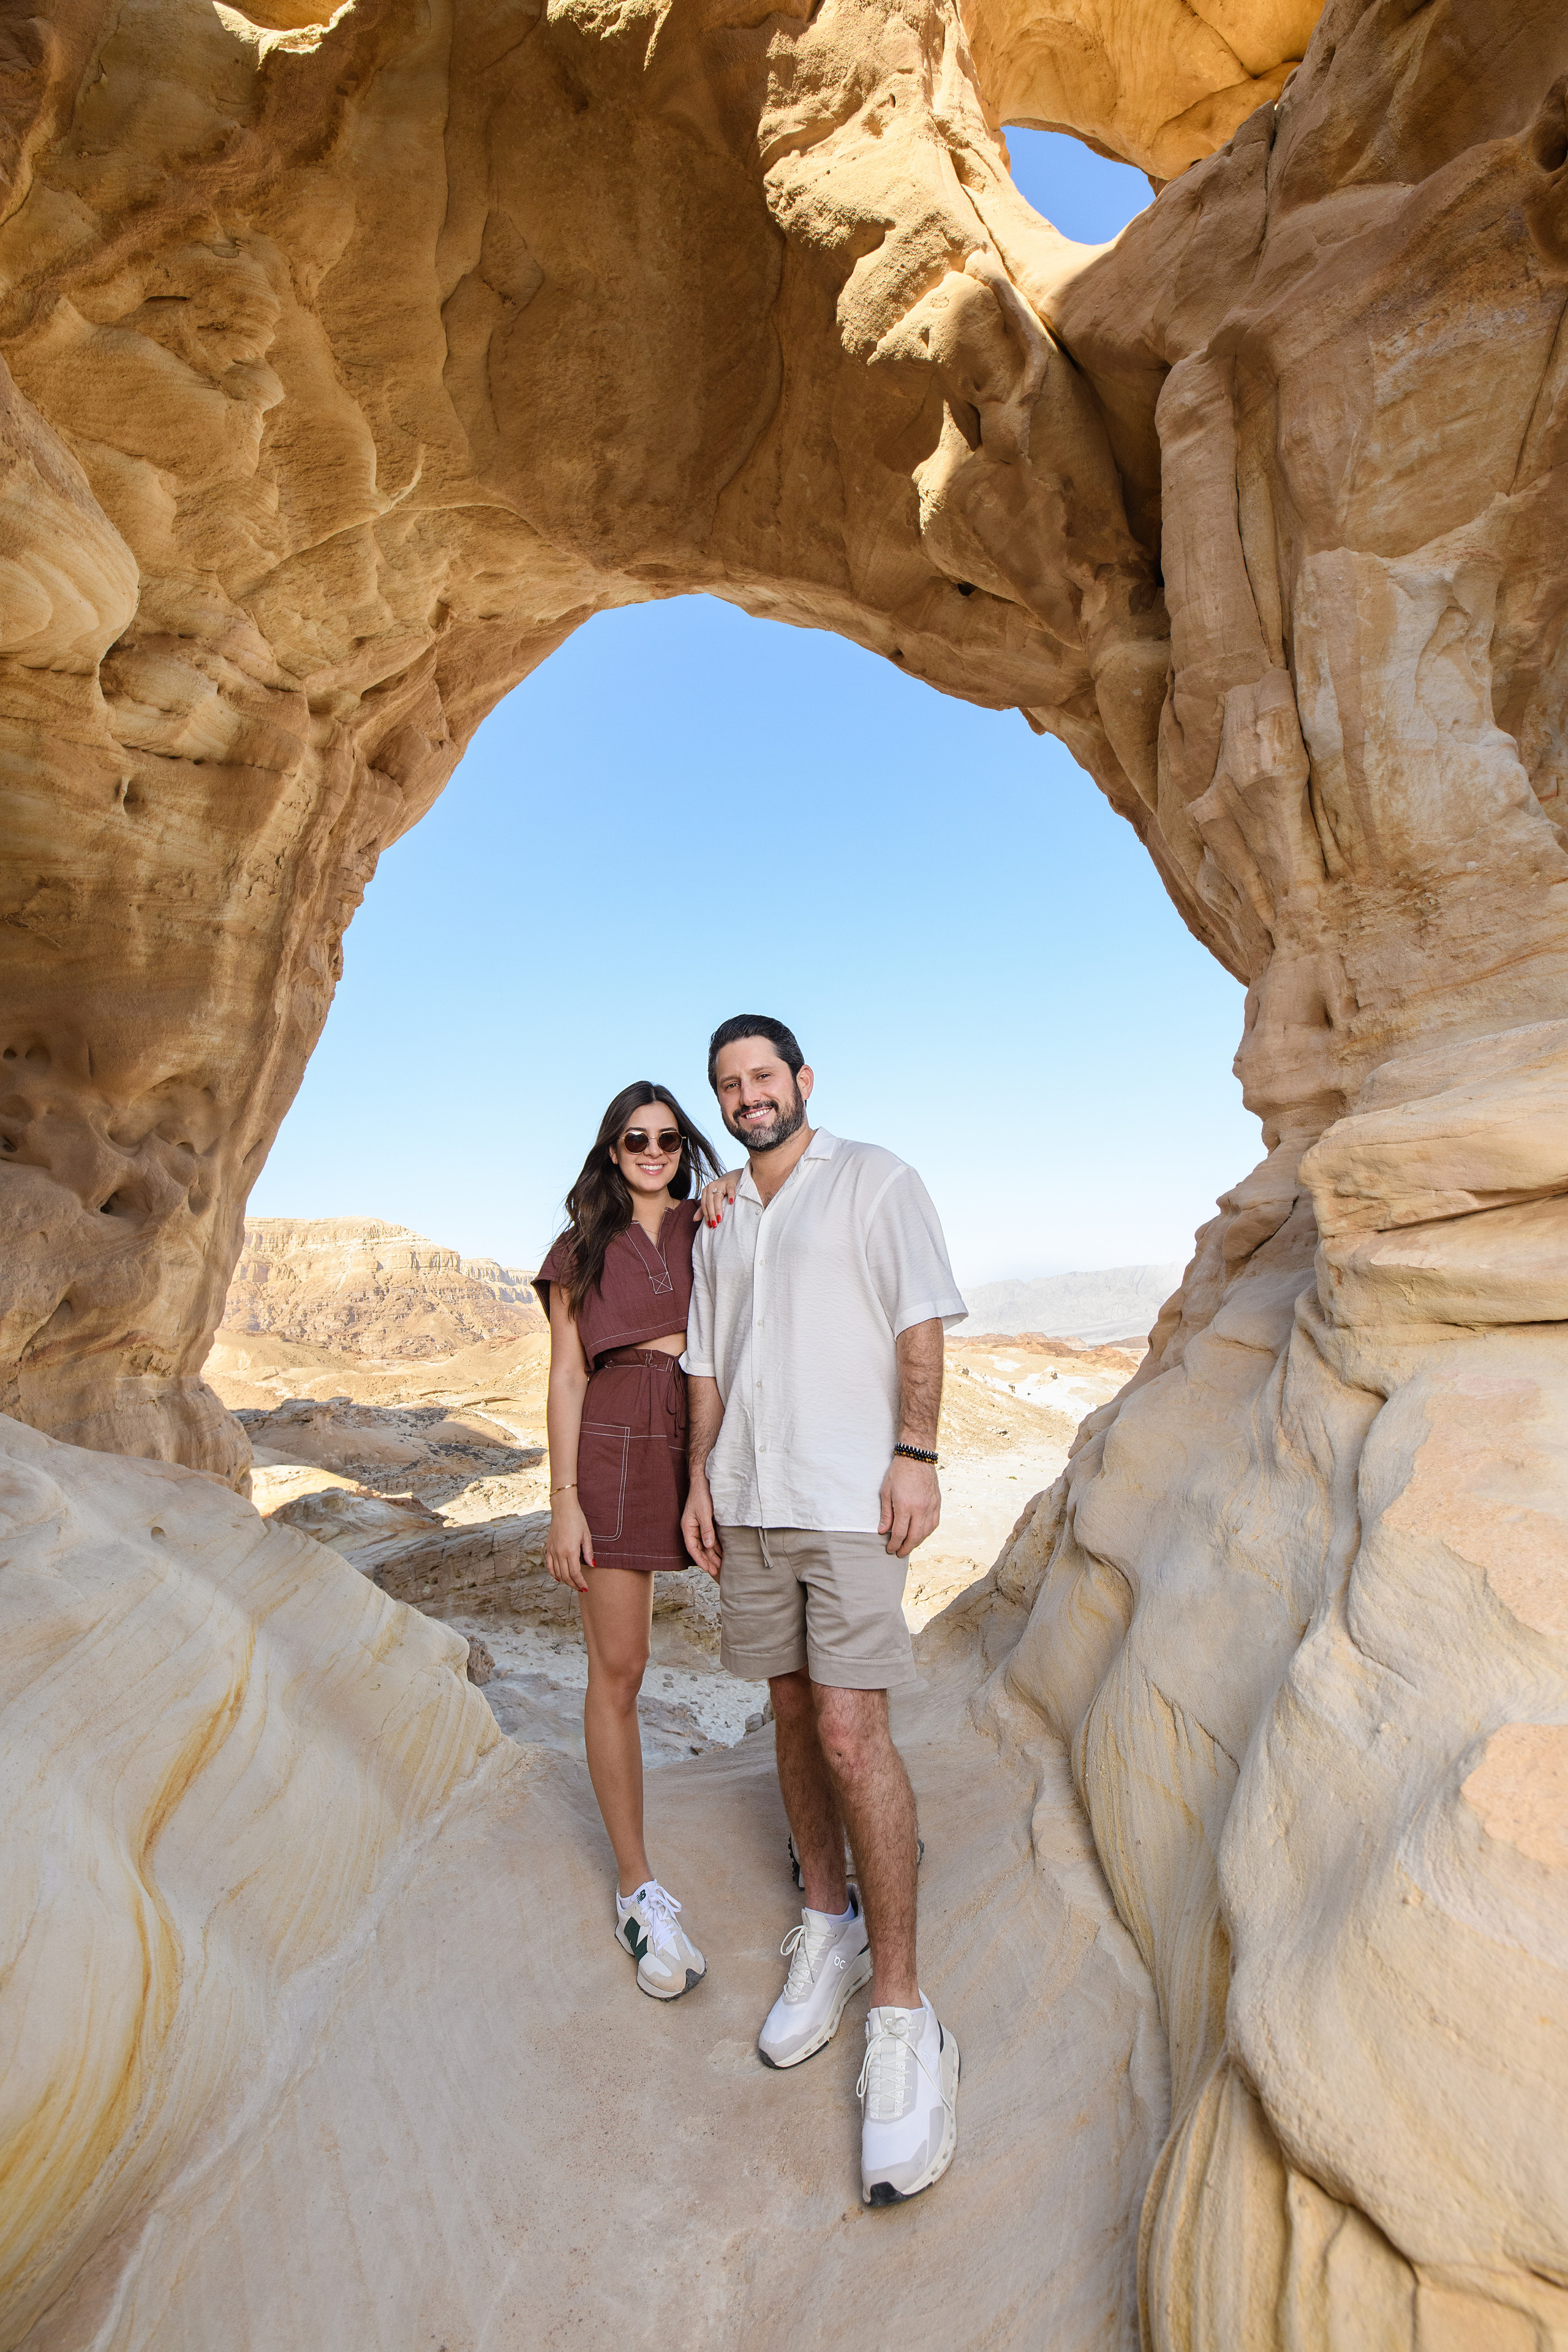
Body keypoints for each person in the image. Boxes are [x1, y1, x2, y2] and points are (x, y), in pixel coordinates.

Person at [681, 1016, 967, 2204]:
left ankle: (902, 2009)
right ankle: (825, 1921)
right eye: (729, 1085)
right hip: (748, 1502)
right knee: (790, 1719)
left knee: (853, 1732)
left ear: (802, 1081)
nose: (749, 1097)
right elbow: (705, 1360)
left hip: (850, 1501)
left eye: (764, 1077)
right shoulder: (723, 1214)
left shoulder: (877, 1180)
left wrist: (915, 1452)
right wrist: (698, 1478)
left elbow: (918, 1323)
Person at [534, 1082, 734, 2001]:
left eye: (665, 1138)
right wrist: (564, 1499)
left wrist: (729, 1186)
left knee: (787, 1633)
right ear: (612, 1150)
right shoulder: (579, 1249)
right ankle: (635, 1886)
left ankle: (823, 1841)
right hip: (613, 1441)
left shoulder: (715, 1220)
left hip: (710, 1429)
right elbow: (568, 1379)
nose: (651, 1150)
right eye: (632, 1139)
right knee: (620, 1669)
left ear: (682, 1144)